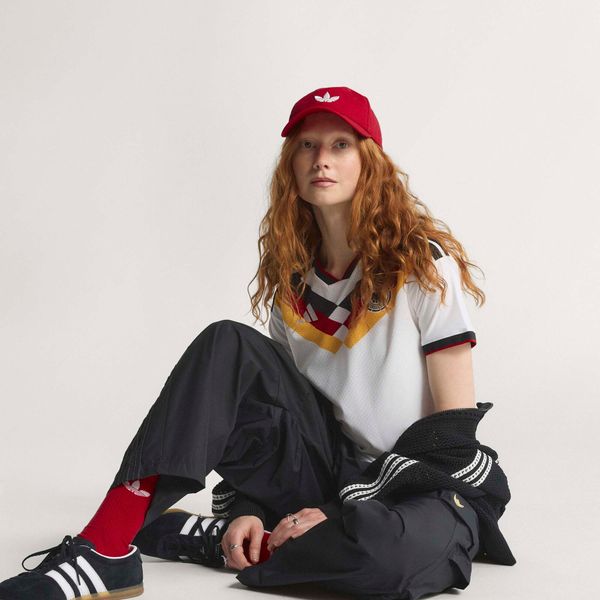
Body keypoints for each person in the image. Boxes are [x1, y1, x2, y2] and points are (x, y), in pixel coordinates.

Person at [0, 86, 515, 600]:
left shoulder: (422, 265)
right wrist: (249, 506)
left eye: (340, 145)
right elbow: (278, 417)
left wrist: (338, 508)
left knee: (389, 556)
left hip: (422, 483)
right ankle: (106, 548)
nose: (321, 159)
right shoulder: (294, 283)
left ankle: (232, 541)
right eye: (307, 146)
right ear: (291, 164)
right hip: (331, 471)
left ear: (370, 162)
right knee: (226, 344)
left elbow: (453, 434)